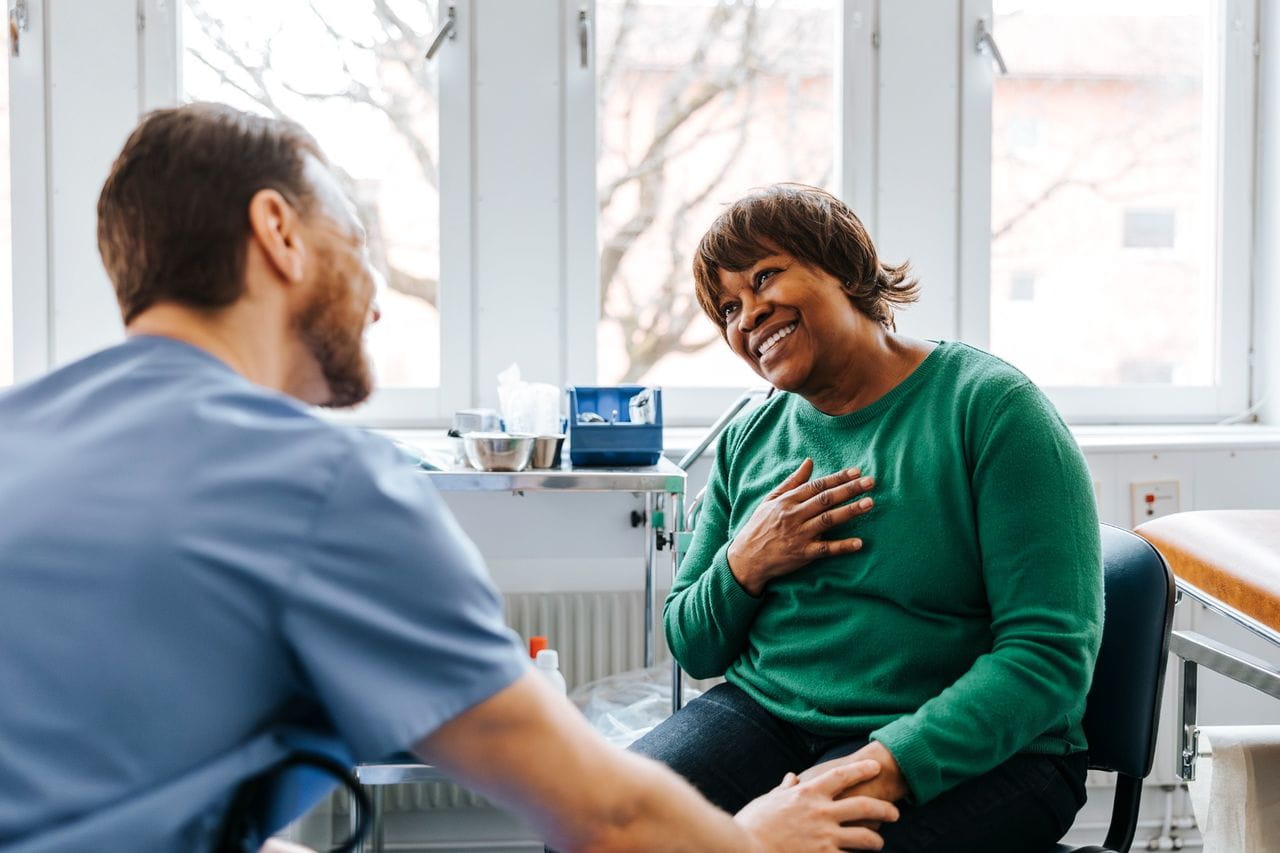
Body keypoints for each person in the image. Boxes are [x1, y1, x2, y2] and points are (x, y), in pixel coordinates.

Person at [0, 106, 901, 852]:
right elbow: (603, 813)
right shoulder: (318, 479)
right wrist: (756, 840)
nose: (378, 293)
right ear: (277, 232)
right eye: (358, 242)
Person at [629, 184, 1104, 853]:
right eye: (729, 307)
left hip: (982, 751)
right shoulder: (750, 436)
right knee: (598, 827)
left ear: (844, 267)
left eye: (765, 277)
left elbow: (1047, 659)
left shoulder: (992, 408)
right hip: (770, 716)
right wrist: (746, 561)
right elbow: (693, 643)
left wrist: (875, 770)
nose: (749, 315)